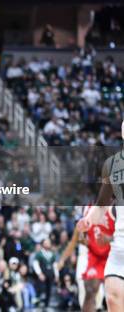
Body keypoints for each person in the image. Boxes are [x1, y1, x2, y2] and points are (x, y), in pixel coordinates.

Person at [79, 119, 124, 311]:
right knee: (113, 297)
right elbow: (102, 205)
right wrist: (88, 220)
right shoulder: (114, 164)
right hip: (120, 246)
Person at [58, 206, 113, 311]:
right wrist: (63, 258)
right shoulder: (82, 223)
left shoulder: (106, 218)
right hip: (85, 256)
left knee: (100, 289)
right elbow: (74, 241)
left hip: (101, 256)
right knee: (83, 286)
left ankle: (97, 307)